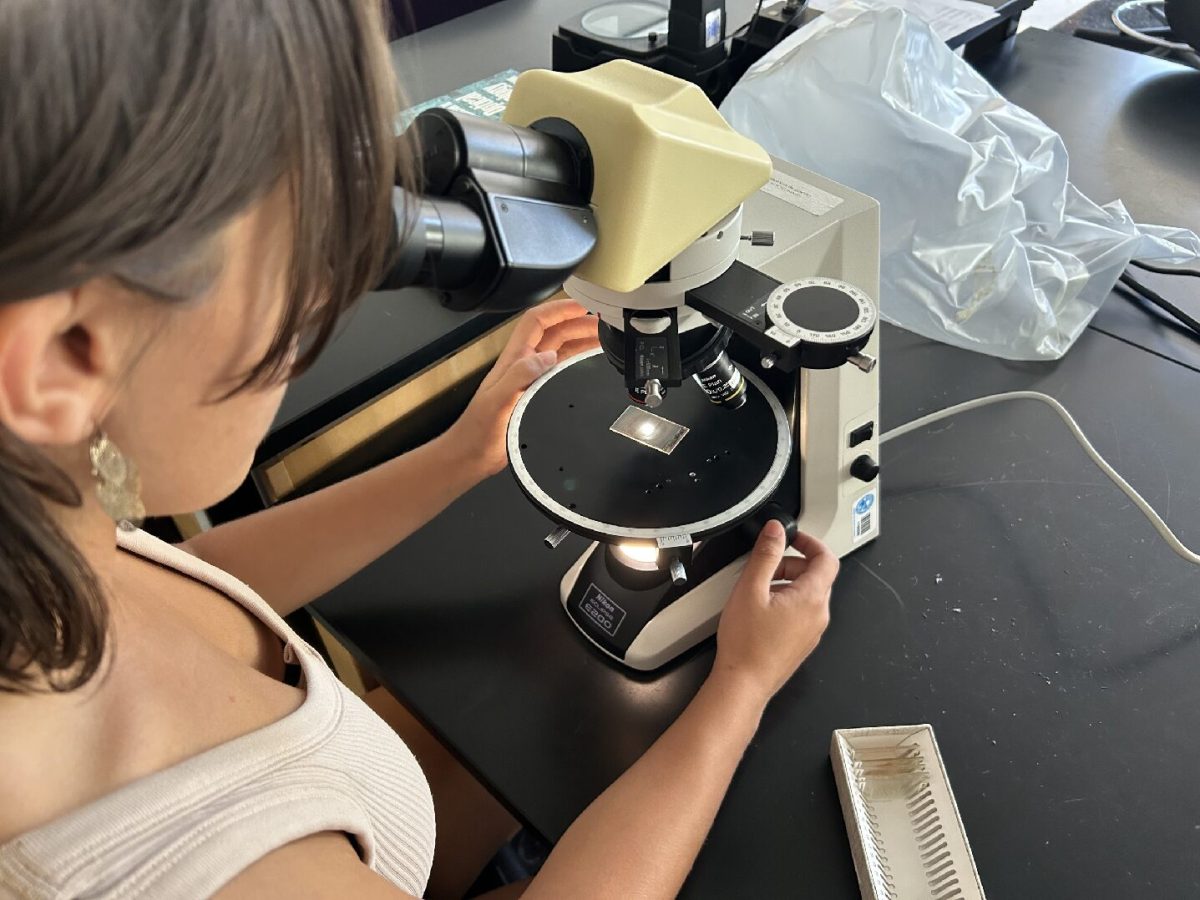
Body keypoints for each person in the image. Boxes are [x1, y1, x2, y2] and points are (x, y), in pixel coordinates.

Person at [0, 1, 840, 897]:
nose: (326, 300)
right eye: (301, 249)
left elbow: (181, 582)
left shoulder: (45, 539)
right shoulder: (191, 871)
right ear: (63, 354)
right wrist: (740, 689)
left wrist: (455, 456)